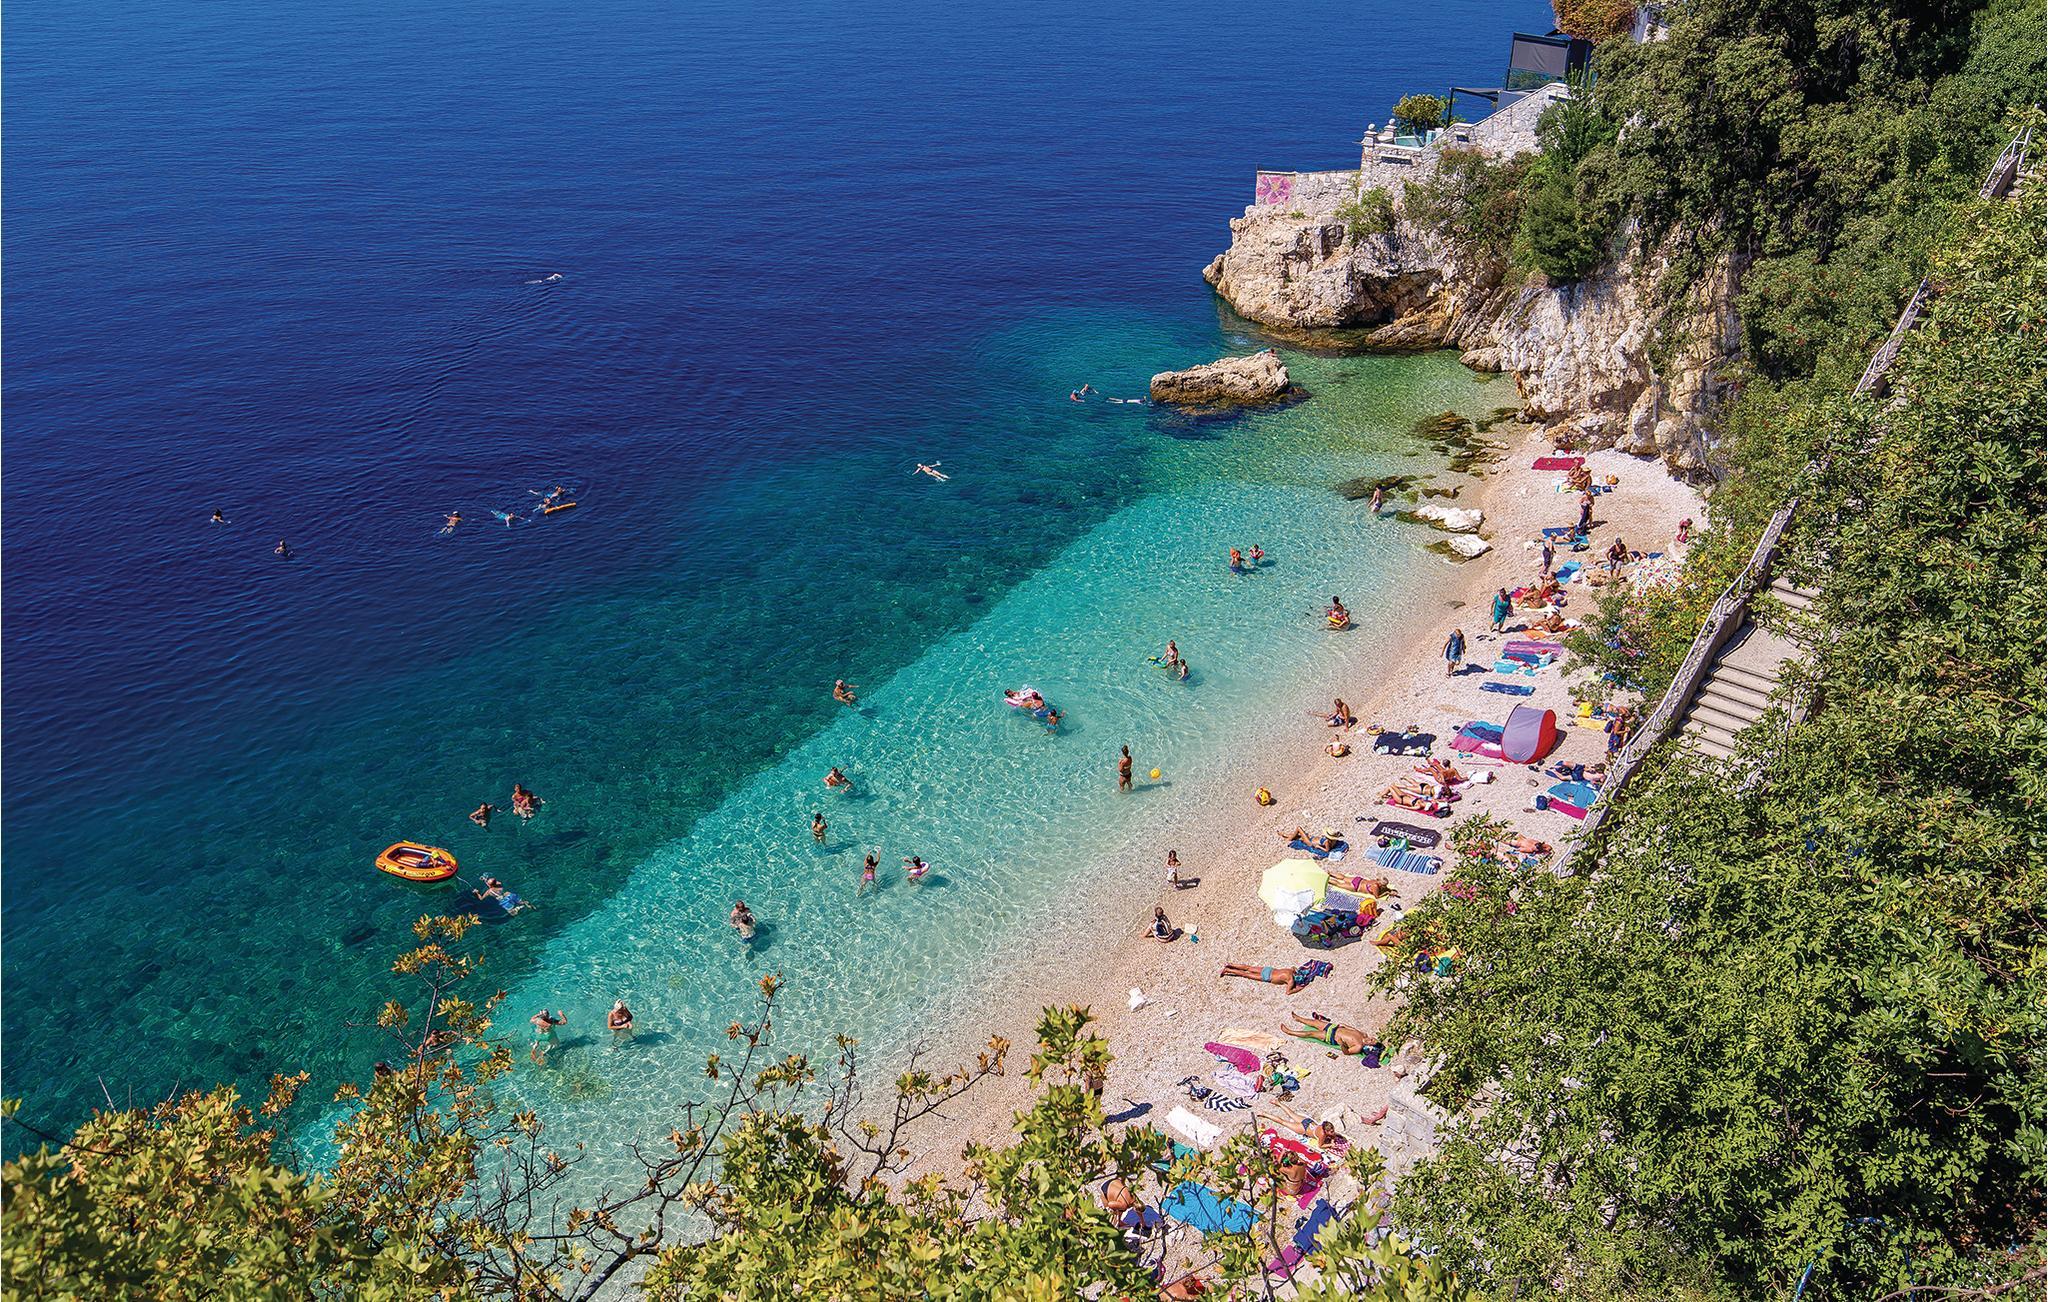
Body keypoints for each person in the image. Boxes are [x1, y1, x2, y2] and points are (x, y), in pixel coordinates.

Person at [1281, 1011, 1377, 1056]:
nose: (1371, 1040)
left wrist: (1341, 1044)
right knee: (1316, 1022)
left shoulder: (1358, 1046)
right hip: (1335, 1028)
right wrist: (1345, 1025)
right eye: (1373, 1038)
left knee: (1310, 1033)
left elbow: (1347, 1053)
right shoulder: (1363, 1034)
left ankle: (1290, 1032)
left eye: (1372, 1042)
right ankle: (1299, 1018)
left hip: (1332, 1037)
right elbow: (1353, 1029)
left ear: (1370, 1046)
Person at [1219, 963, 1314, 993]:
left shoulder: (1291, 971)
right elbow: (1288, 992)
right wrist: (1299, 988)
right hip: (1267, 976)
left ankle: (1230, 964)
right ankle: (1228, 970)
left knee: (1248, 968)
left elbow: (1293, 967)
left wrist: (1297, 971)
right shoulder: (1290, 980)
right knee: (1245, 974)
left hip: (1269, 970)